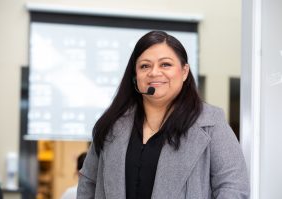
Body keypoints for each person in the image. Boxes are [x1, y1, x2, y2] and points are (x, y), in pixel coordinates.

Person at [77, 30, 250, 199]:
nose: (154, 72)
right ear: (135, 76)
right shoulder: (111, 124)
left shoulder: (211, 122)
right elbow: (89, 183)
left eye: (165, 64)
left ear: (184, 72)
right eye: (145, 66)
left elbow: (233, 186)